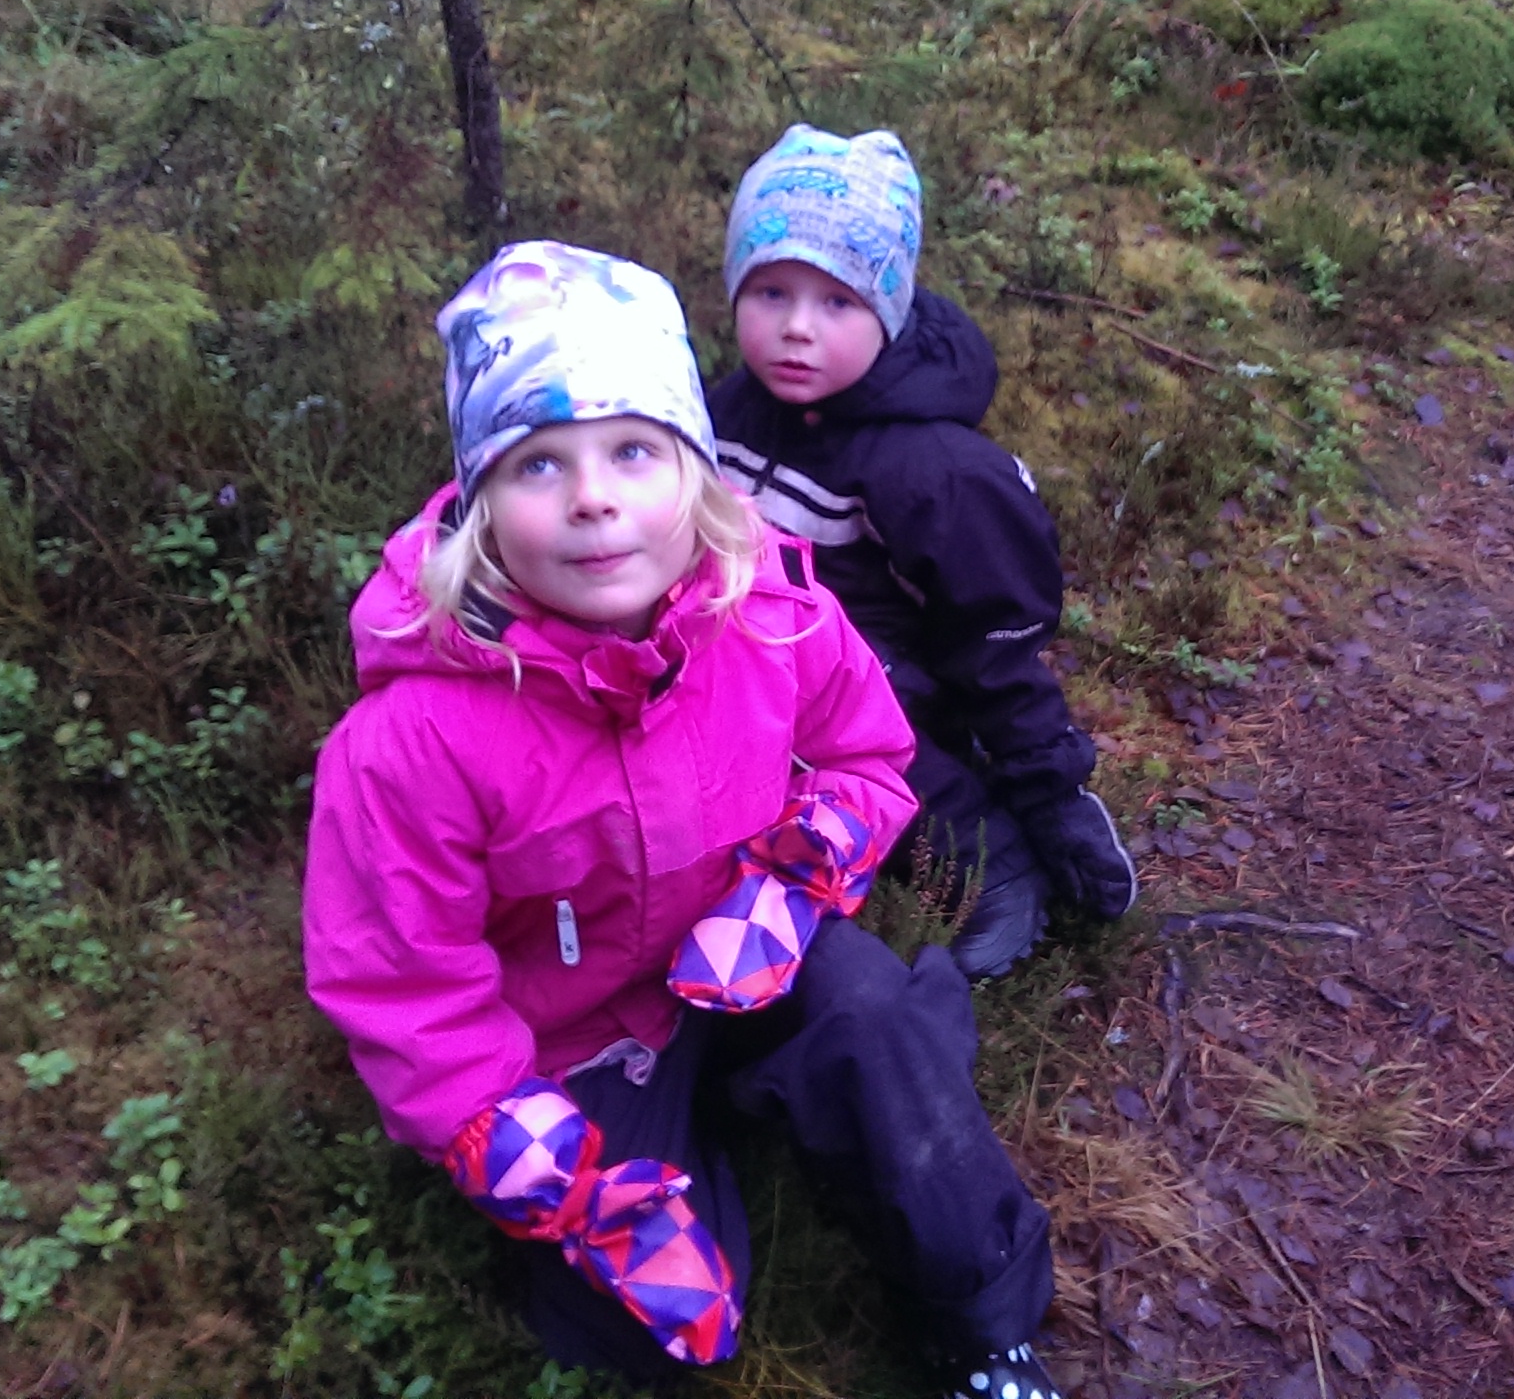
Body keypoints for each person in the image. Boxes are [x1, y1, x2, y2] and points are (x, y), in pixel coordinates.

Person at [300, 241, 1064, 1399]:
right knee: (638, 1332)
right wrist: (533, 1158)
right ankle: (646, 1179)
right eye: (538, 462)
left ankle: (985, 1323)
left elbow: (866, 755)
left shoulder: (770, 615)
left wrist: (793, 883)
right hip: (573, 1044)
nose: (594, 496)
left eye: (633, 450)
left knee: (873, 1015)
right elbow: (405, 985)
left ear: (696, 475)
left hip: (746, 957)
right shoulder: (413, 741)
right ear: (481, 506)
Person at [707, 123, 1139, 980]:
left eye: (837, 303)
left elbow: (996, 639)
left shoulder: (933, 470)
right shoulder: (728, 411)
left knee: (832, 707)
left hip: (887, 688)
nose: (797, 329)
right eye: (771, 293)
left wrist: (1047, 782)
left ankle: (991, 865)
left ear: (889, 309)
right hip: (748, 653)